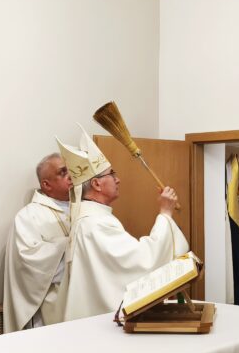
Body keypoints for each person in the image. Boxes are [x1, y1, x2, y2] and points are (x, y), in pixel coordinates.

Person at [58, 130, 188, 320]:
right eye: (112, 174)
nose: (118, 179)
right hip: (102, 323)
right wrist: (165, 214)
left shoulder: (92, 219)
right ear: (96, 184)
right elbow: (142, 261)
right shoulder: (95, 224)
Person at [2, 152, 73, 332]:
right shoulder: (29, 216)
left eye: (70, 170)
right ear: (46, 184)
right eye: (63, 172)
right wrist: (70, 245)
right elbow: (28, 264)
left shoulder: (82, 209)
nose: (70, 176)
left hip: (76, 302)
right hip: (48, 311)